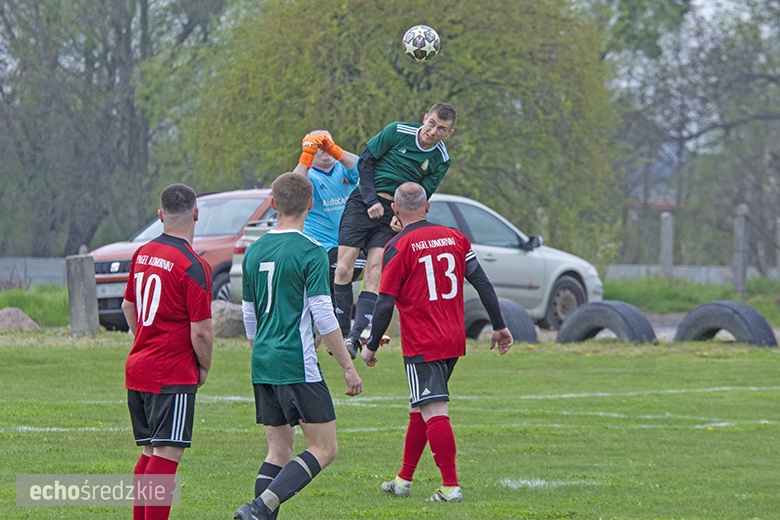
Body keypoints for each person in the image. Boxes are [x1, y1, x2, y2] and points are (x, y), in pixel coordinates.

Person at [361, 182, 513, 503]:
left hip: (423, 342)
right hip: (453, 338)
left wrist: (371, 344)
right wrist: (499, 326)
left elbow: (385, 301)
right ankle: (403, 480)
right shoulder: (455, 237)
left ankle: (450, 487)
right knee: (421, 407)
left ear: (395, 209)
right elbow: (482, 283)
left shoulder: (398, 245)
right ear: (427, 207)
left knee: (434, 409)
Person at [234, 172, 364, 520]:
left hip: (263, 361)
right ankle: (261, 508)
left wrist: (260, 350)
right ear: (310, 205)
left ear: (274, 205)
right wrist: (347, 366)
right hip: (297, 362)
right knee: (324, 448)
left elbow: (249, 315)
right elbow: (323, 314)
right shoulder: (311, 251)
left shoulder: (253, 250)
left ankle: (258, 514)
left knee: (279, 451)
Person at [332, 103, 457, 356]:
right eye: (431, 123)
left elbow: (422, 193)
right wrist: (371, 201)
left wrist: (403, 216)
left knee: (375, 272)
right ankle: (342, 332)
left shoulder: (441, 160)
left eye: (441, 129)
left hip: (393, 212)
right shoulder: (396, 131)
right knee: (344, 267)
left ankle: (355, 339)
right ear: (425, 118)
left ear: (449, 133)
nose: (432, 131)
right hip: (363, 201)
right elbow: (365, 163)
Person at [121, 183, 214, 520]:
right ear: (196, 214)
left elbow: (128, 305)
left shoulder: (142, 253)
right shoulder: (192, 265)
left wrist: (144, 338)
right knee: (166, 456)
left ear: (160, 215)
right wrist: (203, 366)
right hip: (170, 374)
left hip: (139, 368)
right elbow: (201, 330)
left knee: (150, 453)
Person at [292, 130, 366, 307]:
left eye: (327, 143)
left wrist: (334, 149)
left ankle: (356, 325)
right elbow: (294, 186)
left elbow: (363, 168)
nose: (324, 149)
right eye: (318, 146)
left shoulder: (343, 168)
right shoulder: (308, 174)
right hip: (322, 249)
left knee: (379, 263)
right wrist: (306, 155)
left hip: (349, 244)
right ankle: (343, 328)